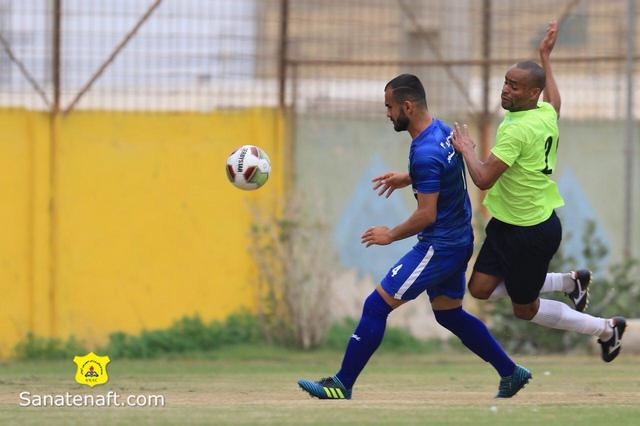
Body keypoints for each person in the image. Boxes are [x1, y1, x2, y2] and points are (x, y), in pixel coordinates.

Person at [298, 74, 531, 400]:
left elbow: (427, 215)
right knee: (449, 314)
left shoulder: (423, 151)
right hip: (460, 239)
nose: (388, 114)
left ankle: (341, 384)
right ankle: (511, 372)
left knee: (375, 306)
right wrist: (407, 178)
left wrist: (390, 234)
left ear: (407, 106)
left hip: (440, 246)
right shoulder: (442, 131)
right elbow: (443, 172)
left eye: (390, 107)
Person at [451, 21, 625, 362]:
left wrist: (467, 148)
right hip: (507, 223)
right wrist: (545, 56)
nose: (505, 90)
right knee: (479, 289)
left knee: (525, 309)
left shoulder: (518, 132)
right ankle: (568, 282)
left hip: (532, 232)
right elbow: (555, 100)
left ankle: (606, 328)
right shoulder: (544, 113)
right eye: (505, 82)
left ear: (531, 94)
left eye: (514, 87)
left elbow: (484, 179)